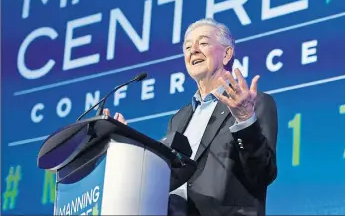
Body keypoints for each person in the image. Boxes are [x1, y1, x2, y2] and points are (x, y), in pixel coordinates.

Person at [104, 18, 278, 216]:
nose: (193, 50)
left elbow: (263, 174)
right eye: (187, 47)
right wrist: (128, 142)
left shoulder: (255, 103)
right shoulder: (179, 118)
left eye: (203, 43)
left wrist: (245, 118)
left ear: (227, 54)